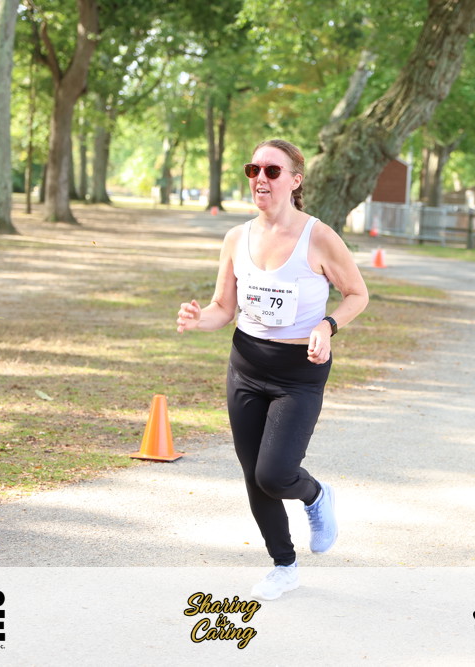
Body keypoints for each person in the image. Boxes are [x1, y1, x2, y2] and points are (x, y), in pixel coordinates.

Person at [176, 139, 369, 601]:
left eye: (272, 170)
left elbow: (357, 294)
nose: (260, 178)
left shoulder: (318, 237)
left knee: (275, 473)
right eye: (254, 169)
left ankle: (316, 495)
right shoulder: (236, 238)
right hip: (246, 365)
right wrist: (199, 319)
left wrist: (326, 325)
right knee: (253, 474)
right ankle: (284, 565)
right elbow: (224, 308)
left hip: (298, 373)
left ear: (295, 180)